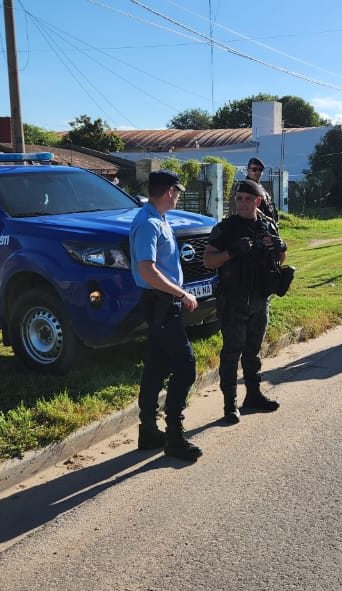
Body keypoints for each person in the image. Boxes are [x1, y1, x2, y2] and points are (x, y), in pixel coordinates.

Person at [129, 170, 203, 461]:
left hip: (161, 301)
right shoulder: (148, 223)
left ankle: (148, 431)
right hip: (161, 302)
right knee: (185, 366)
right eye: (178, 192)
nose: (178, 197)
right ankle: (174, 436)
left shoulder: (156, 218)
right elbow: (147, 270)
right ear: (170, 191)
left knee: (157, 366)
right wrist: (181, 293)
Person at [203, 179, 286, 424]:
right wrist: (230, 252)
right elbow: (208, 261)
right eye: (239, 199)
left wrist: (281, 247)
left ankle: (253, 394)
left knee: (253, 351)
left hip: (260, 298)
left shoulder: (267, 225)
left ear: (257, 201)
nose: (242, 203)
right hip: (233, 300)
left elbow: (279, 260)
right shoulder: (225, 228)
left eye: (247, 199)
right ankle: (230, 404)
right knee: (232, 352)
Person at [245, 157, 279, 222]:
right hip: (256, 225)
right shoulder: (245, 187)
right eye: (254, 169)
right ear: (248, 170)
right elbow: (247, 207)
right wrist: (265, 217)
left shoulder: (259, 186)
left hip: (268, 224)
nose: (258, 172)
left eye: (260, 170)